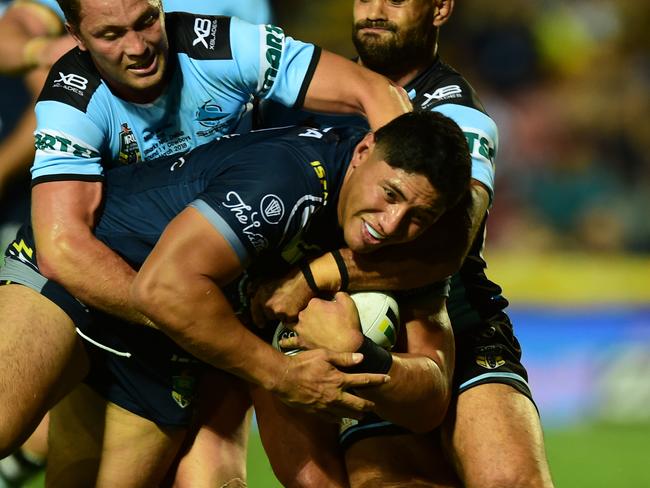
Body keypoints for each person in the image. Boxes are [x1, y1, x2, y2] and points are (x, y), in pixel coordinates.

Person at [0, 0, 412, 482]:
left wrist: (401, 188)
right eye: (111, 35)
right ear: (76, 34)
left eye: (147, 21)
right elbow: (62, 249)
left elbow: (373, 91)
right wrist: (187, 309)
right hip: (94, 286)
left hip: (186, 305)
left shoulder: (221, 43)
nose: (137, 48)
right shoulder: (72, 96)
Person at [3, 111, 471, 485]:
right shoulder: (286, 179)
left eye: (417, 216)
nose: (390, 224)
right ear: (363, 151)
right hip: (87, 276)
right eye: (389, 193)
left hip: (168, 343)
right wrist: (284, 374)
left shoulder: (414, 251)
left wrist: (363, 354)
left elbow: (430, 404)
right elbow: (161, 289)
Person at [252, 1, 555, 487]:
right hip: (364, 324)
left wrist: (317, 275)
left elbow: (451, 244)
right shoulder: (314, 94)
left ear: (439, 8)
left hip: (462, 319)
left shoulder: (456, 110)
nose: (374, 10)